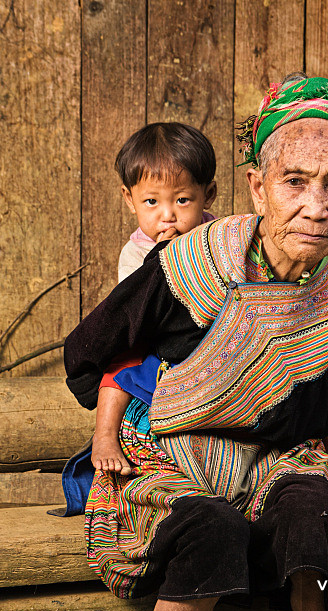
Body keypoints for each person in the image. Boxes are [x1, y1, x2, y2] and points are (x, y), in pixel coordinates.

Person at [64, 73, 328, 611]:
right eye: (294, 180)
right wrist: (153, 416)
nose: (314, 204)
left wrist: (308, 433)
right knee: (208, 527)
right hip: (169, 452)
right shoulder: (186, 266)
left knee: (315, 514)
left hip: (277, 459)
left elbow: (322, 376)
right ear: (256, 186)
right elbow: (91, 354)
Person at [93, 123, 217, 477]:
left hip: (218, 340)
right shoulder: (134, 253)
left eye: (182, 200)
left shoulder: (222, 238)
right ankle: (104, 435)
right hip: (159, 347)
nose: (167, 214)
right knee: (118, 363)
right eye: (151, 201)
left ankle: (323, 432)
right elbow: (137, 317)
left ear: (207, 195)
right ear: (129, 198)